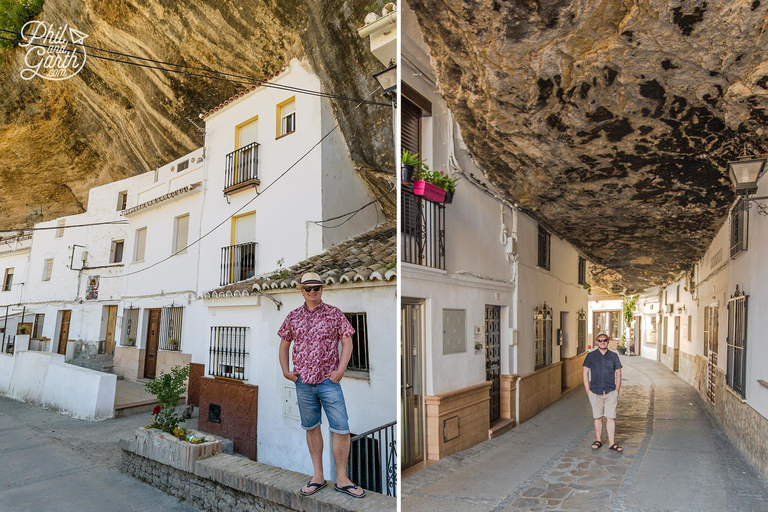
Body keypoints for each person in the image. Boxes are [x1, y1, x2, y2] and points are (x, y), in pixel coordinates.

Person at [278, 272, 366, 498]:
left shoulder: (334, 314)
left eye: (316, 288)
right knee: (311, 427)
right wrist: (286, 371)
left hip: (329, 381)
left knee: (341, 428)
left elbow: (347, 342)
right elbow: (284, 344)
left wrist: (340, 370)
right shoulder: (293, 316)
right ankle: (318, 476)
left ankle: (342, 479)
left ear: (321, 289)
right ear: (302, 291)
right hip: (303, 383)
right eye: (308, 289)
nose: (312, 292)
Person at [582, 332, 623, 452]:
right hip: (595, 391)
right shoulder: (591, 356)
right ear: (596, 342)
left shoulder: (614, 356)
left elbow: (619, 373)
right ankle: (598, 440)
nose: (602, 342)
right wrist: (588, 391)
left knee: (611, 417)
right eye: (600, 340)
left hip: (610, 391)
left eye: (604, 340)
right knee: (597, 417)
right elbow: (585, 372)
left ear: (608, 341)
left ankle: (612, 443)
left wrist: (617, 390)